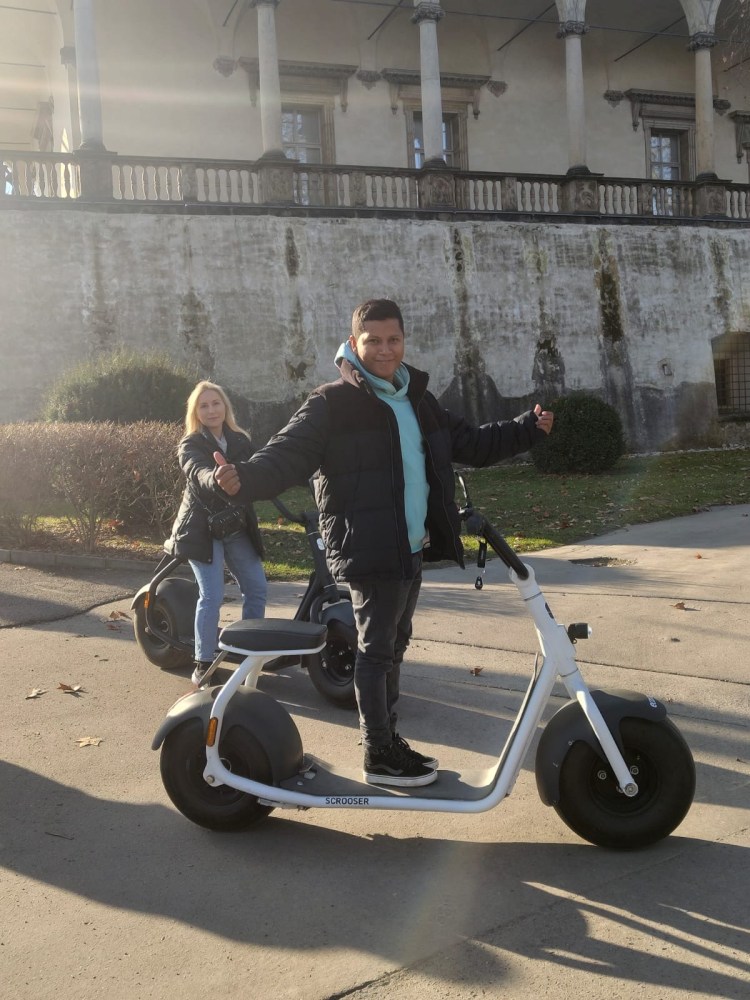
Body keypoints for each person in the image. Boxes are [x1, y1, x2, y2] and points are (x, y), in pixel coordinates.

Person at [213, 299, 553, 787]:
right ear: (353, 344)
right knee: (375, 650)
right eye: (373, 340)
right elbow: (285, 457)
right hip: (367, 545)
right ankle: (378, 753)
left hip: (410, 544)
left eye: (393, 339)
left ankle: (389, 742)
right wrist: (242, 479)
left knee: (394, 644)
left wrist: (525, 430)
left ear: (403, 342)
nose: (384, 350)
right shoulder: (331, 403)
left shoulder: (417, 398)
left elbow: (473, 443)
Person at [166, 380, 267, 686]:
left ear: (225, 406)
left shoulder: (239, 440)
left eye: (216, 403)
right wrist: (217, 477)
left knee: (257, 587)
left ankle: (249, 652)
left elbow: (263, 467)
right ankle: (203, 662)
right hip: (201, 528)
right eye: (204, 405)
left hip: (234, 525)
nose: (211, 410)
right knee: (212, 596)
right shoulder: (191, 443)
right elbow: (197, 472)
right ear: (196, 412)